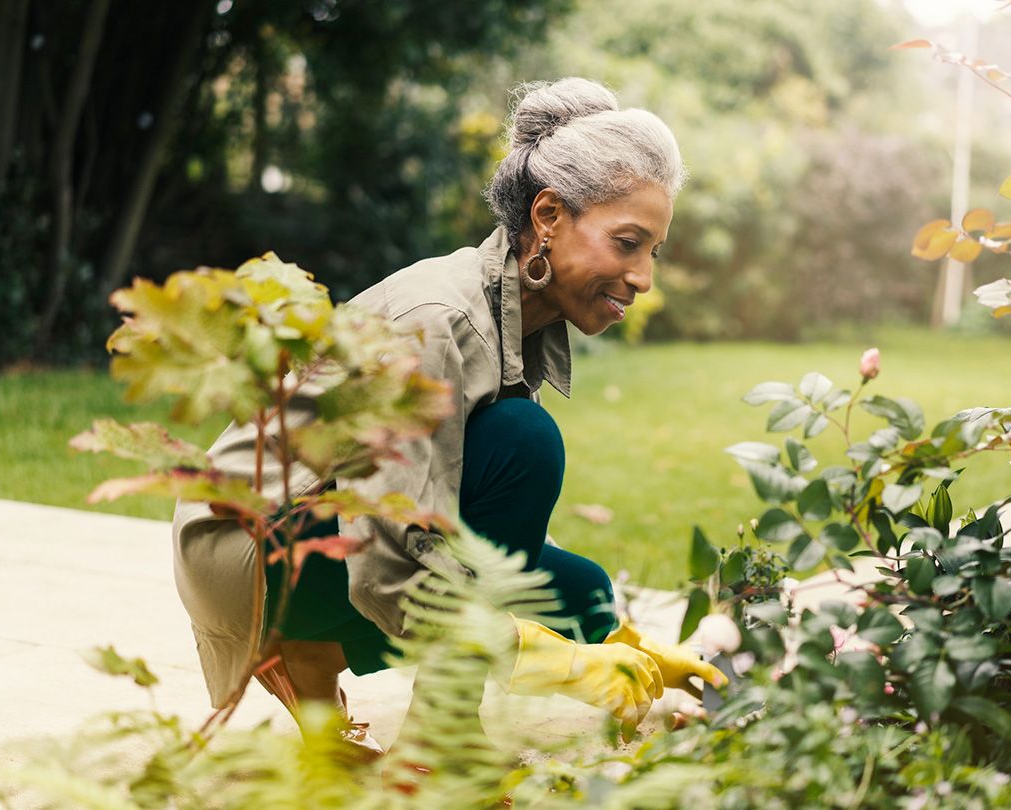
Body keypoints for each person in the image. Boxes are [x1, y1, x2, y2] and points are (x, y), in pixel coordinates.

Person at [171, 77, 725, 758]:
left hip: (320, 533)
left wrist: (619, 649)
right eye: (628, 243)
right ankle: (438, 738)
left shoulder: (516, 316)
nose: (643, 278)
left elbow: (476, 530)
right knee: (526, 442)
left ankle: (308, 654)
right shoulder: (440, 321)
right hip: (247, 550)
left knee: (582, 592)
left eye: (654, 252)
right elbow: (386, 563)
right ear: (548, 217)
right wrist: (560, 664)